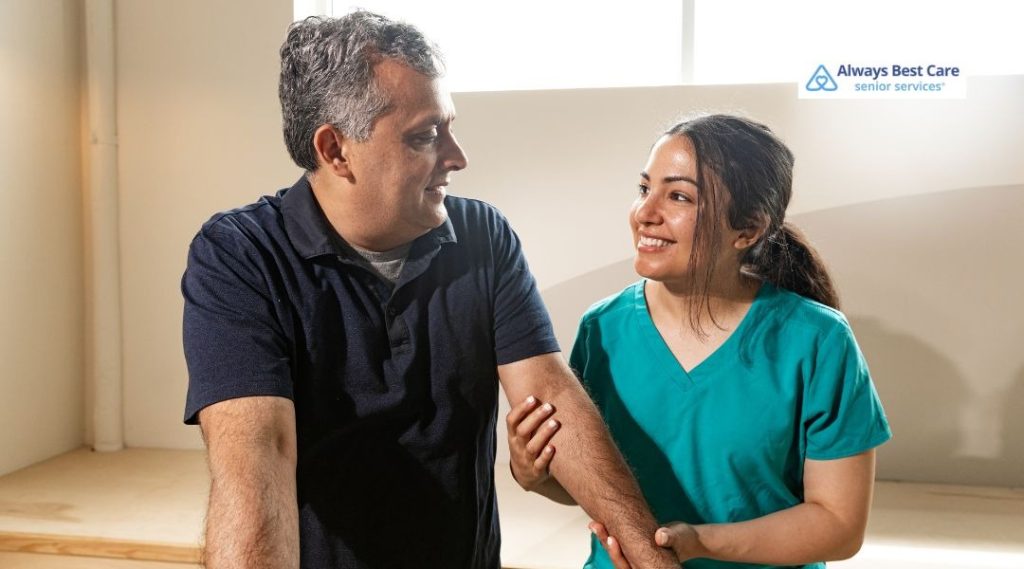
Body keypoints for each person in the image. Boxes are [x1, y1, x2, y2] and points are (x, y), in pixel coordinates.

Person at [181, 10, 678, 569]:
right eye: (425, 136)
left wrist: (654, 559)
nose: (457, 157)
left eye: (449, 126)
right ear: (335, 149)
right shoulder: (240, 256)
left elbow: (552, 399)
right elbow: (257, 455)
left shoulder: (482, 237)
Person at [508, 114, 892, 568]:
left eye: (678, 196)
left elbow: (838, 525)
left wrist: (698, 542)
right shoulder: (603, 329)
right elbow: (592, 485)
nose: (645, 213)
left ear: (747, 229)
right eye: (643, 189)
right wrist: (533, 474)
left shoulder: (818, 341)